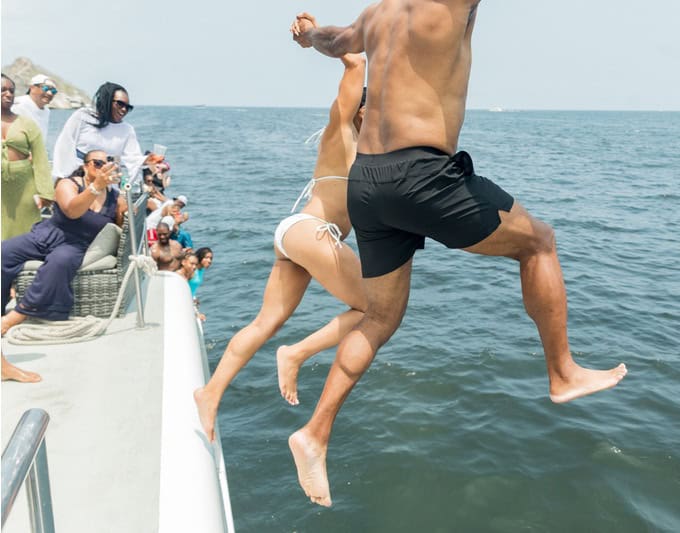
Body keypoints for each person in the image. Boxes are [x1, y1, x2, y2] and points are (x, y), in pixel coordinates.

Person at [288, 4, 628, 507]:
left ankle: (314, 434)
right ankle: (563, 373)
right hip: (422, 173)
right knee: (539, 242)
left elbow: (336, 41)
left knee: (379, 316)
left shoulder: (378, 13)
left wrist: (308, 33)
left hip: (367, 180)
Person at [193, 51, 368, 442]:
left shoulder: (369, 154)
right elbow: (354, 73)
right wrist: (350, 55)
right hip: (312, 231)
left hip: (297, 237)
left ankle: (210, 393)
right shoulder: (341, 132)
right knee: (373, 308)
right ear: (360, 110)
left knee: (264, 323)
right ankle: (296, 353)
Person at [1, 149, 125, 333]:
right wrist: (95, 188)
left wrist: (128, 212)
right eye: (97, 163)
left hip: (76, 244)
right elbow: (71, 211)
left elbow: (122, 227)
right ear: (85, 166)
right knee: (4, 252)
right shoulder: (68, 184)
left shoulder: (116, 198)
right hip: (48, 234)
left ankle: (18, 315)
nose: (103, 166)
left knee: (60, 263)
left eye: (107, 162)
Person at [51, 81, 161, 183]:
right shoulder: (83, 116)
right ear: (107, 100)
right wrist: (61, 177)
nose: (124, 109)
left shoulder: (127, 129)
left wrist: (147, 160)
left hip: (106, 182)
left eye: (127, 107)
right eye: (120, 104)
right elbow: (64, 145)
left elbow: (132, 159)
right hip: (77, 177)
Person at [2, 74, 55, 241]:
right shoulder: (23, 107)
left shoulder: (27, 123)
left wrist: (45, 193)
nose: (9, 94)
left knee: (24, 234)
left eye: (11, 90)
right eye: (3, 90)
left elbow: (41, 160)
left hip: (24, 185)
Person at [11, 74, 57, 140]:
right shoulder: (18, 105)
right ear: (32, 87)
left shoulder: (46, 111)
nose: (50, 93)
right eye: (46, 88)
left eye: (53, 91)